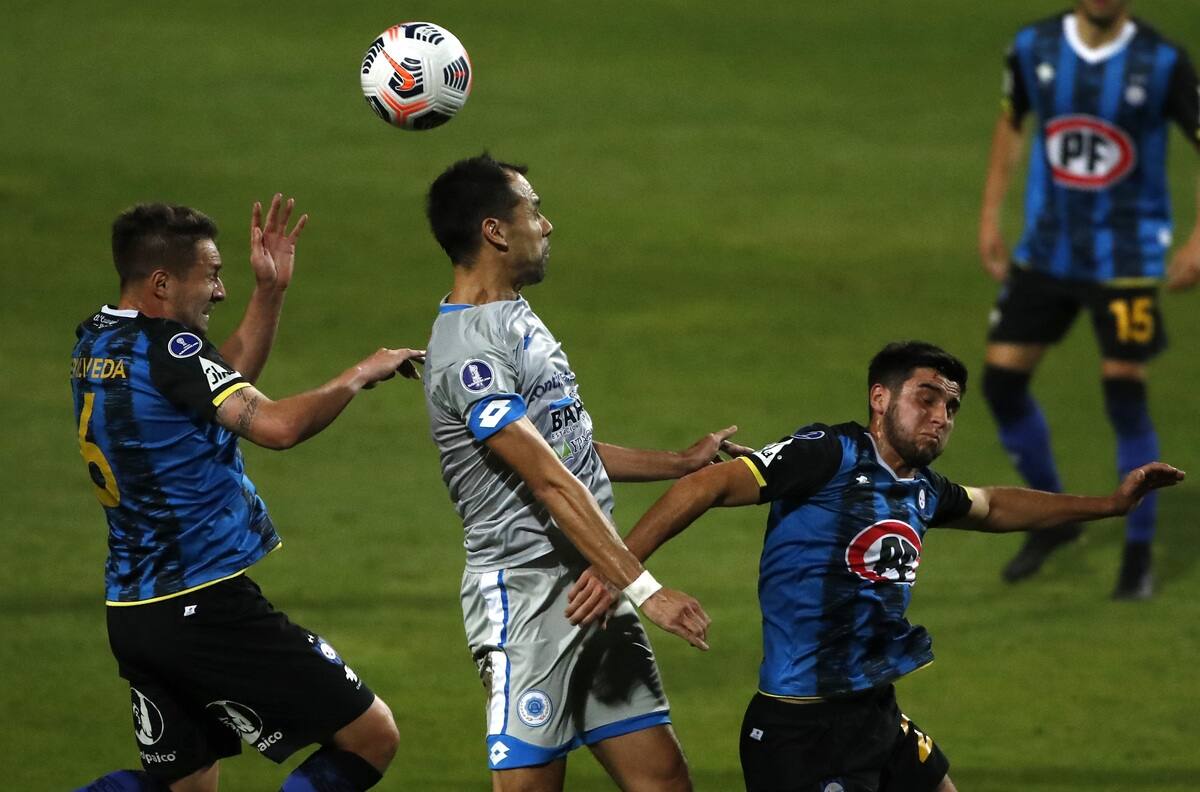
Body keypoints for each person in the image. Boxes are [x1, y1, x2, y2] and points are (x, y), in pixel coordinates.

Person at [566, 341, 1184, 792]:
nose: (941, 416)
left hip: (874, 714)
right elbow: (703, 487)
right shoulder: (827, 454)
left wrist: (1110, 503)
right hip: (801, 730)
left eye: (952, 405)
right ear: (880, 398)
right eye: (927, 398)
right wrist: (625, 569)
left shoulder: (920, 489)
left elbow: (994, 506)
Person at [72, 197, 425, 792]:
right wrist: (361, 373)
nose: (219, 291)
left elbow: (220, 387)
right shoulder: (169, 350)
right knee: (372, 736)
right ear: (162, 282)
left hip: (135, 613)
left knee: (186, 788)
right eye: (210, 275)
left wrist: (271, 292)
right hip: (203, 606)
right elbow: (276, 426)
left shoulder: (98, 340)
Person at [422, 153, 749, 791]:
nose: (547, 226)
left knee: (664, 781)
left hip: (592, 585)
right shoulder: (468, 354)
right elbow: (547, 481)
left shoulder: (511, 313)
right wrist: (646, 590)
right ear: (495, 231)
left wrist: (678, 462)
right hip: (527, 601)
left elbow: (568, 449)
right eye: (534, 210)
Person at [977, 0, 1200, 597]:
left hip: (1124, 259)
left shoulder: (1163, 61)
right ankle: (1054, 521)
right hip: (1046, 251)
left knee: (1123, 393)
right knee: (1001, 382)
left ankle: (1137, 551)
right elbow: (1012, 119)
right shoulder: (1033, 47)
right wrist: (990, 214)